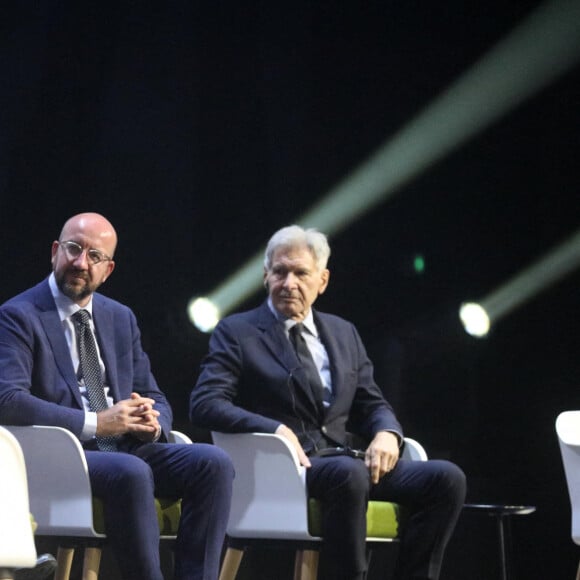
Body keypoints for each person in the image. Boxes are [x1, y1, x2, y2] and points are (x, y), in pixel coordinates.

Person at [190, 225, 466, 580]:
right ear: (265, 276)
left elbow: (372, 403)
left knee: (445, 479)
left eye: (301, 273)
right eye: (280, 272)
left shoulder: (342, 333)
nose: (289, 282)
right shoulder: (238, 332)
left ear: (322, 280)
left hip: (343, 462)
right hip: (283, 469)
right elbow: (205, 403)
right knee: (349, 476)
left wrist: (387, 433)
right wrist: (275, 429)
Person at [0, 212, 234, 580]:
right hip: (63, 455)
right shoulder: (18, 315)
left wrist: (153, 425)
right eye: (74, 249)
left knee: (213, 463)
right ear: (55, 252)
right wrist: (98, 422)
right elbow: (8, 399)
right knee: (133, 470)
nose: (81, 262)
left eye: (94, 256)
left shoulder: (120, 317)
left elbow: (153, 392)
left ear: (107, 270)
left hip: (126, 448)